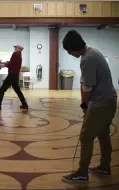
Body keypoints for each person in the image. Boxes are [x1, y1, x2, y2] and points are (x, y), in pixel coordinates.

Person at [61, 30, 117, 184]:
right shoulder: (92, 52)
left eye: (69, 50)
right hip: (109, 101)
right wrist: (84, 103)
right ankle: (105, 167)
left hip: (101, 103)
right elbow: (83, 83)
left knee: (86, 136)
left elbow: (87, 88)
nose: (69, 54)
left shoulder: (87, 59)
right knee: (103, 134)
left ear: (74, 47)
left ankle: (82, 173)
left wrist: (85, 105)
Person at [0, 45, 28, 110]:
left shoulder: (15, 54)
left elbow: (11, 64)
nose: (14, 48)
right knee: (18, 91)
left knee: (2, 89)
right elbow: (11, 63)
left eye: (16, 47)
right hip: (15, 75)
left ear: (19, 48)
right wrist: (2, 63)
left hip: (12, 75)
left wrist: (2, 65)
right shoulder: (19, 55)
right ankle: (24, 104)